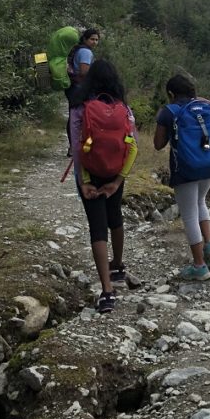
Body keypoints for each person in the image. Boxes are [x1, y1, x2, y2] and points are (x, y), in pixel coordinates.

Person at [70, 58, 137, 313]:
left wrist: (85, 181)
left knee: (97, 227)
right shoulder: (123, 108)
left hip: (91, 172)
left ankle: (107, 292)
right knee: (115, 215)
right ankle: (117, 265)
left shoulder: (79, 107)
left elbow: (77, 148)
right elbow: (133, 146)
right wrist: (118, 180)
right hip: (115, 172)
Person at [153, 74, 210, 281]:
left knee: (189, 215)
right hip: (209, 163)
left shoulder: (169, 111)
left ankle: (199, 266)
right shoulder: (205, 107)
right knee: (200, 202)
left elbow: (158, 144)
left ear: (171, 93)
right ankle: (209, 245)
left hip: (185, 168)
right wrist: (203, 100)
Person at [64, 28, 101, 155]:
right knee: (82, 117)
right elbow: (84, 72)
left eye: (96, 40)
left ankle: (72, 146)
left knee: (73, 116)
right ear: (85, 39)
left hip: (73, 86)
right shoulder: (86, 52)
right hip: (80, 88)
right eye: (92, 39)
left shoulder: (78, 49)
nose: (94, 42)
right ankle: (78, 146)